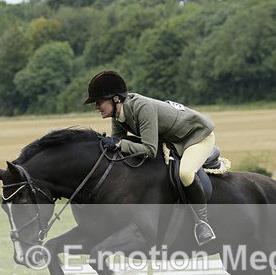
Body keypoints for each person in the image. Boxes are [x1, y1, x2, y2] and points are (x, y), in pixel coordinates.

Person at [84, 70, 216, 245]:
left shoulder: (142, 108)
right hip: (173, 140)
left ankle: (202, 223)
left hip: (197, 136)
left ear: (115, 99)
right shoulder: (118, 114)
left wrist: (117, 144)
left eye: (99, 102)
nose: (96, 107)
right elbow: (119, 142)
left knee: (185, 174)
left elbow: (149, 149)